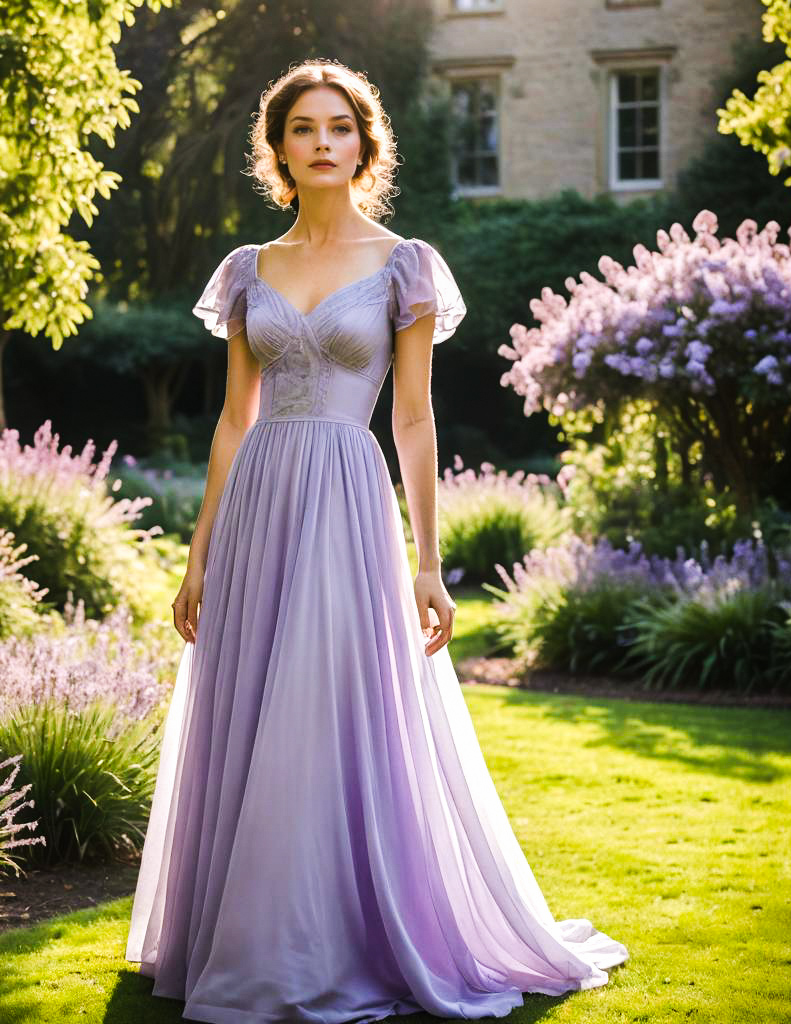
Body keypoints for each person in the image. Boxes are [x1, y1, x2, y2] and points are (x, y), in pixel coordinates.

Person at [125, 58, 628, 1023]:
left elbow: (413, 421)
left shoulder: (407, 263)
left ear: (366, 143)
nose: (323, 142)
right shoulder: (248, 269)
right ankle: (249, 937)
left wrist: (429, 565)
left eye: (341, 127)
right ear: (278, 148)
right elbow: (233, 422)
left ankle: (341, 937)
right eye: (304, 128)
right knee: (252, 707)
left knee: (333, 710)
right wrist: (196, 557)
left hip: (351, 504)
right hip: (260, 503)